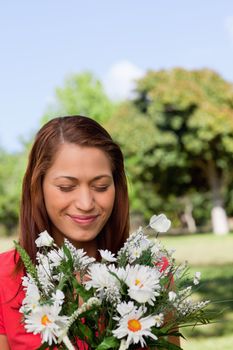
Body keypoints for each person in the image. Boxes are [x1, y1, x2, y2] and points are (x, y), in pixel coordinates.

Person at [0, 115, 180, 349]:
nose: (86, 203)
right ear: (38, 187)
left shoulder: (153, 273)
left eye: (101, 186)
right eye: (66, 187)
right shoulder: (5, 277)